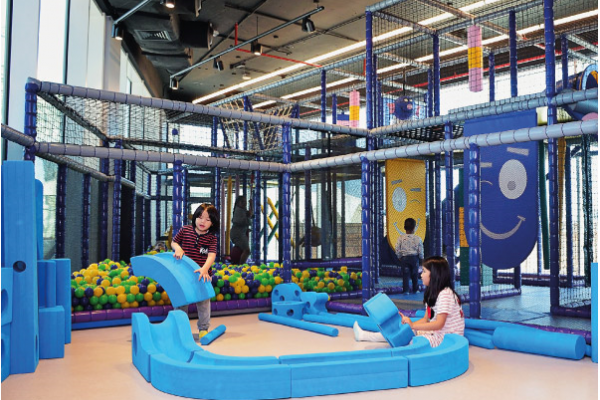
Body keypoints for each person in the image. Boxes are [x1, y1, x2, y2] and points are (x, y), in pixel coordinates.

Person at [354, 256, 464, 348]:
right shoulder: (433, 293)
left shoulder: (445, 294)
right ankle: (364, 335)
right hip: (438, 333)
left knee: (409, 340)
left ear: (434, 275)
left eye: (424, 271)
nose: (421, 275)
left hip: (448, 339)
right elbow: (426, 319)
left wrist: (413, 326)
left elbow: (439, 324)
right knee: (405, 332)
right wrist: (410, 325)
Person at [171, 203, 220, 339]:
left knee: (203, 303)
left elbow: (211, 255)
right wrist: (178, 248)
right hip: (184, 275)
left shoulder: (211, 238)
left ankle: (203, 328)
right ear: (195, 217)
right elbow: (174, 242)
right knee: (181, 302)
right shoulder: (186, 230)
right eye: (200, 217)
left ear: (213, 223)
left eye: (208, 219)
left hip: (202, 275)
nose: (203, 222)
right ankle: (180, 328)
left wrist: (204, 269)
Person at [395, 218, 424, 294]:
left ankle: (406, 290)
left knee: (405, 275)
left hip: (405, 258)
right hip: (414, 259)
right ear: (414, 228)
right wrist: (421, 259)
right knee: (415, 275)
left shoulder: (400, 238)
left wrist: (399, 257)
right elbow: (420, 250)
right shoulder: (418, 238)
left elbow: (397, 248)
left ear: (404, 227)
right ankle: (416, 289)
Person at [230, 195, 252, 265]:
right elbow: (244, 221)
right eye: (242, 202)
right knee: (247, 250)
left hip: (239, 233)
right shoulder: (239, 211)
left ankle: (238, 263)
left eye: (245, 202)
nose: (244, 203)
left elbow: (248, 216)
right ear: (238, 203)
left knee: (243, 250)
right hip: (238, 234)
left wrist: (251, 205)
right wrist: (249, 216)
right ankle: (241, 265)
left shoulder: (242, 210)